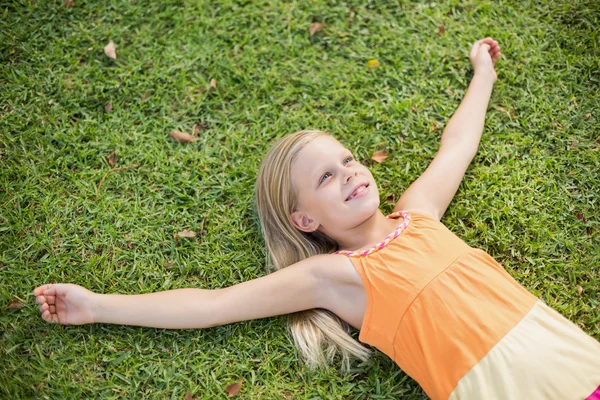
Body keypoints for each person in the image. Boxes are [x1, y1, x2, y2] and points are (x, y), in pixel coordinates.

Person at [34, 38, 600, 399]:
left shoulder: (420, 214)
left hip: (581, 360)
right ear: (305, 220)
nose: (350, 172)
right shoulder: (336, 277)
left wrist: (484, 75)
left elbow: (456, 148)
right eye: (326, 178)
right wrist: (96, 306)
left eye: (347, 160)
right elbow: (211, 303)